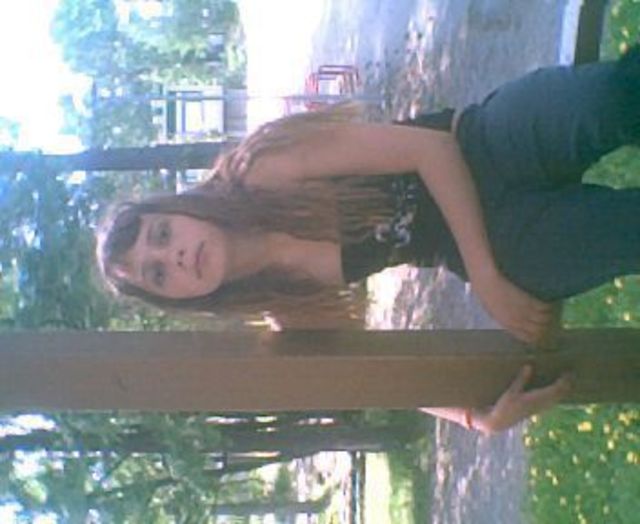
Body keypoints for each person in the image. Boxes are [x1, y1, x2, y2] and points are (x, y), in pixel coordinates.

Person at [96, 45, 640, 434]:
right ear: (177, 299)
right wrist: (474, 418)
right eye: (157, 274)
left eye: (162, 233)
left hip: (484, 142)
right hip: (495, 242)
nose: (174, 255)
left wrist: (487, 280)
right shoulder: (290, 309)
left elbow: (430, 150)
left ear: (182, 209)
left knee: (615, 97)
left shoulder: (263, 168)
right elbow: (378, 372)